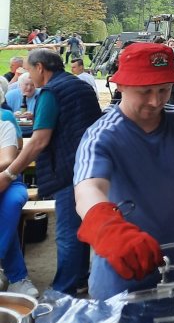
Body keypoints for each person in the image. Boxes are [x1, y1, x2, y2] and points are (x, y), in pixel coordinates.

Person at [74, 43, 174, 300]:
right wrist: (110, 231)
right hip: (119, 278)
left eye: (164, 90)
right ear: (120, 86)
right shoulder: (102, 135)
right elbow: (88, 189)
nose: (155, 101)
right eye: (145, 91)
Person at [0, 49, 102, 295]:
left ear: (41, 68)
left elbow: (38, 141)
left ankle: (62, 292)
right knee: (80, 230)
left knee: (67, 234)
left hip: (68, 170)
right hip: (93, 167)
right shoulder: (80, 86)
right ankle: (79, 279)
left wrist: (10, 174)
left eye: (28, 69)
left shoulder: (51, 92)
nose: (27, 75)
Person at [0, 88, 38, 297]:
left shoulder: (4, 123)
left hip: (10, 179)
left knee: (13, 202)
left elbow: (7, 160)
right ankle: (18, 278)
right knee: (5, 214)